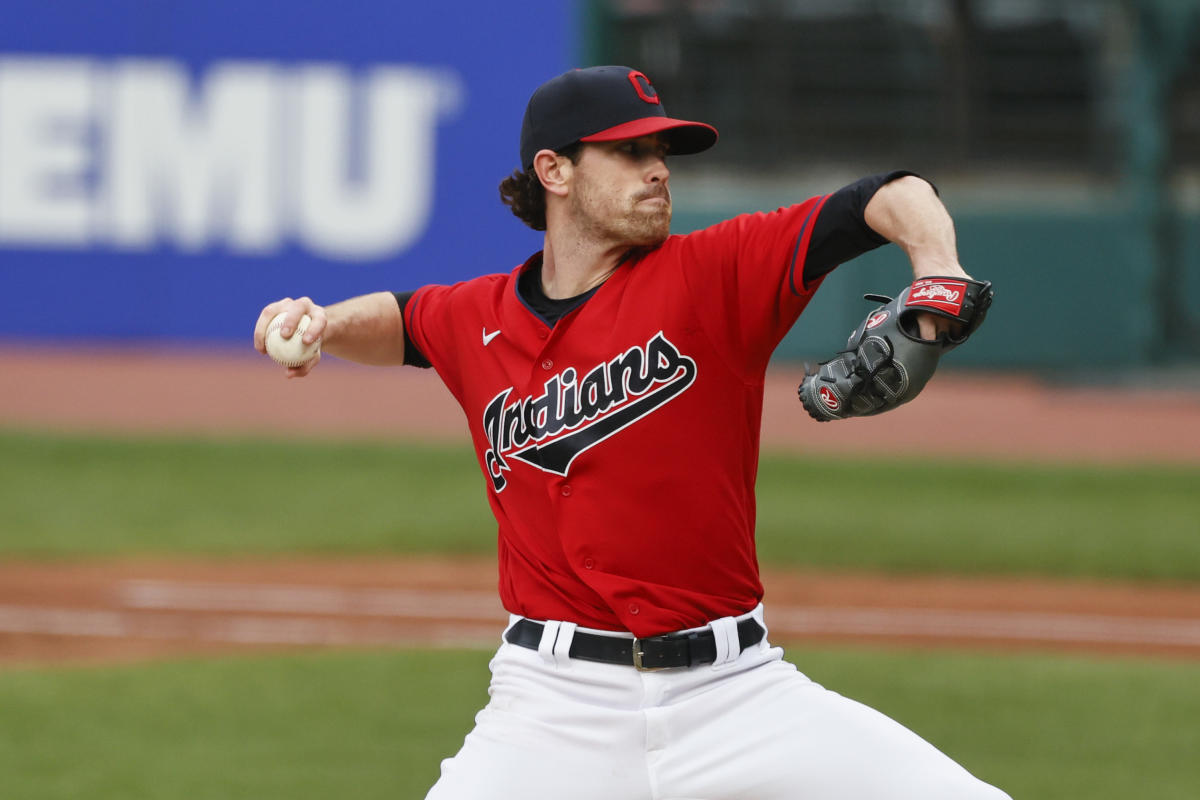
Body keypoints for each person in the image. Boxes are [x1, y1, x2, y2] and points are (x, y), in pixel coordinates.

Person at [253, 65, 1010, 800]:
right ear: (555, 170)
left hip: (735, 697)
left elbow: (888, 196)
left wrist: (936, 267)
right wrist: (324, 322)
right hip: (550, 711)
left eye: (661, 154)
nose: (658, 171)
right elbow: (405, 320)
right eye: (630, 151)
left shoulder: (714, 274)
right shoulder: (477, 317)